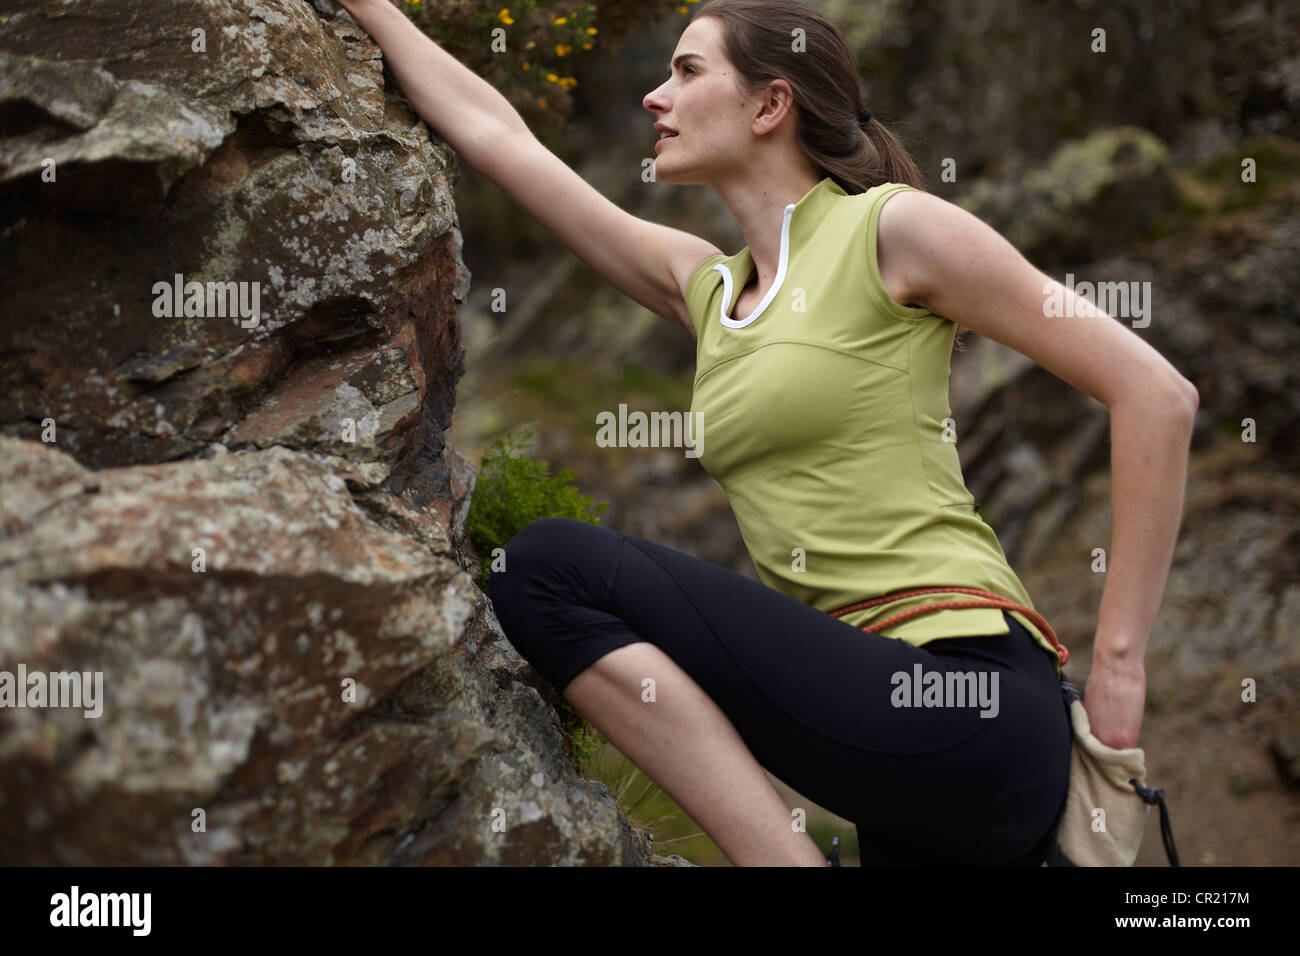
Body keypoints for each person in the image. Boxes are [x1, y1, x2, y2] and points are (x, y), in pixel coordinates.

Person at [335, 0, 1198, 866]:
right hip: (877, 750)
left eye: (686, 71)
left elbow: (1154, 393)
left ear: (769, 105)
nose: (653, 96)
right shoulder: (704, 289)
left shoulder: (892, 231)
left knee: (546, 567)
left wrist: (1121, 668)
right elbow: (501, 140)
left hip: (965, 694)